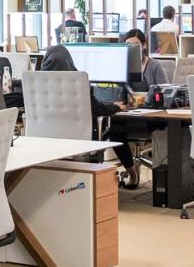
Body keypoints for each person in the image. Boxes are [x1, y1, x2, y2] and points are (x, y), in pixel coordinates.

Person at [38, 45, 138, 182]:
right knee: (116, 128)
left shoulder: (37, 83)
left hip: (46, 138)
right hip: (79, 136)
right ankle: (132, 175)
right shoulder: (77, 82)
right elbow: (97, 110)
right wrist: (115, 107)